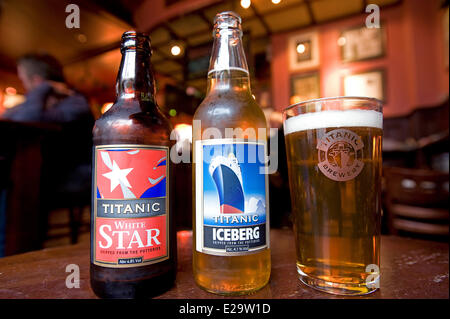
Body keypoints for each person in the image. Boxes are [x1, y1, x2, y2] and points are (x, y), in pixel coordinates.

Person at [1, 53, 92, 124]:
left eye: (23, 80)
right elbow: (5, 116)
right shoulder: (37, 105)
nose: (24, 85)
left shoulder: (77, 102)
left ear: (38, 81)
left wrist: (45, 86)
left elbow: (27, 118)